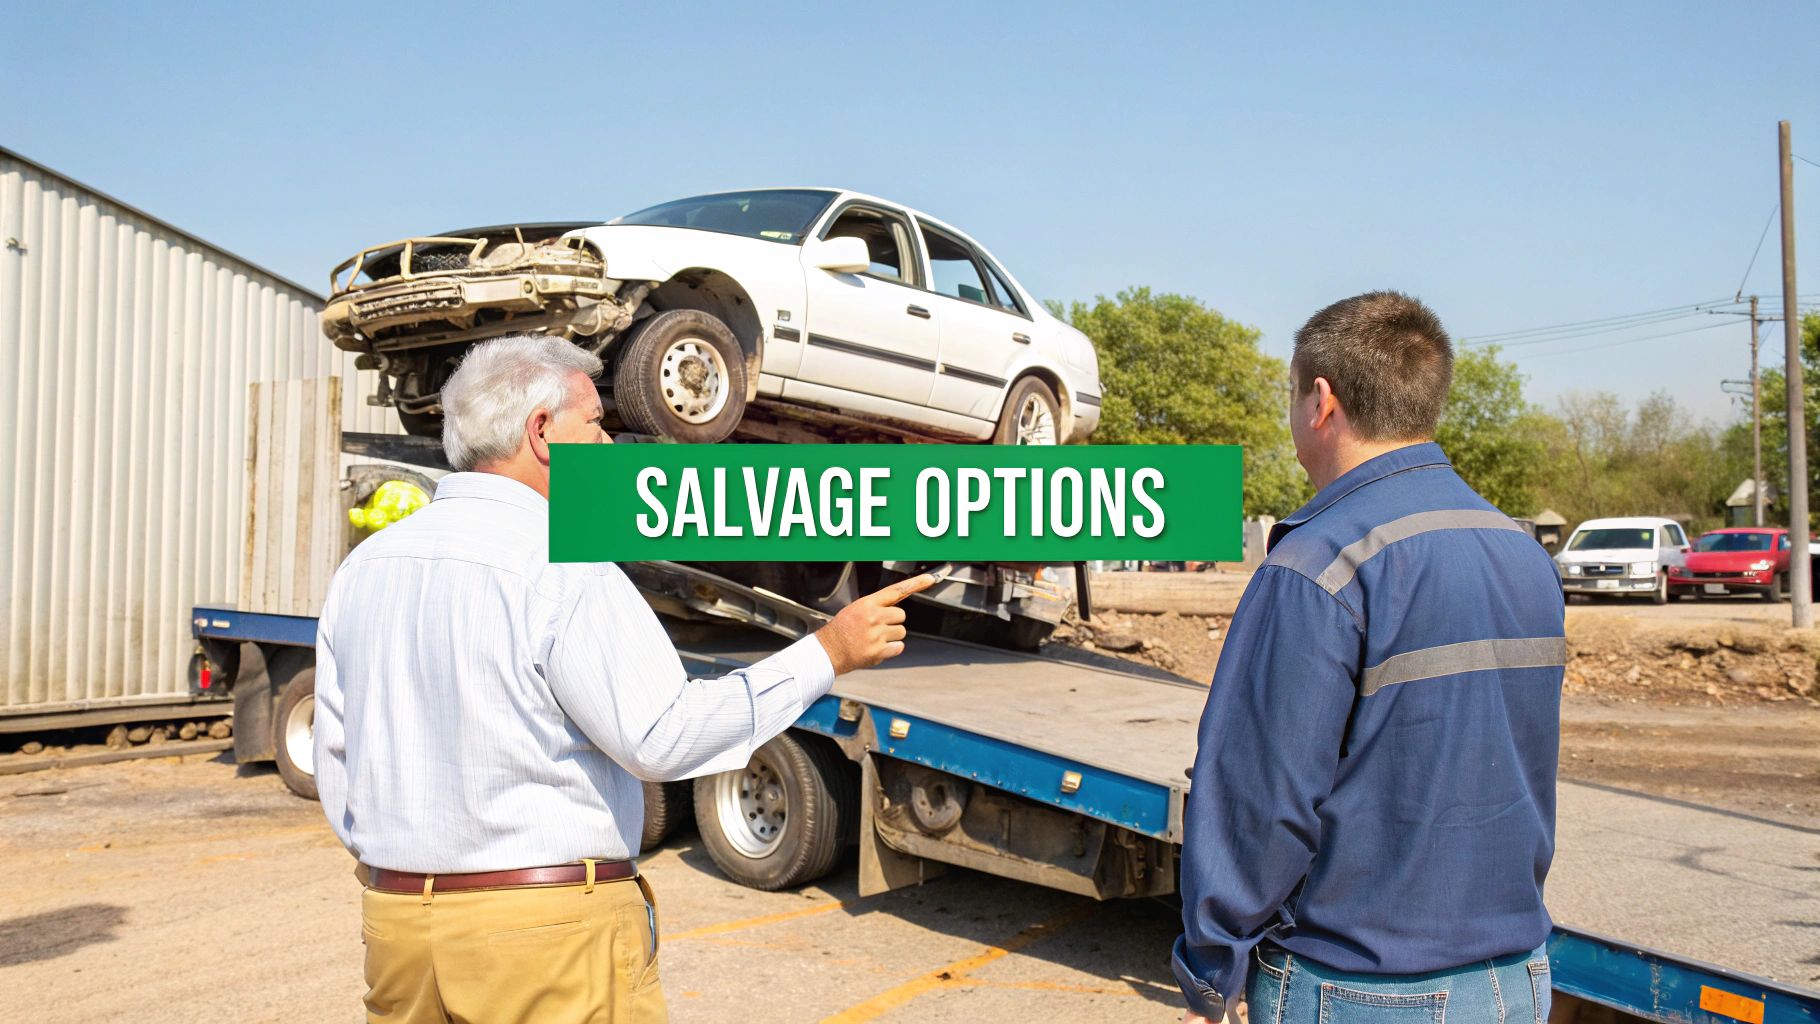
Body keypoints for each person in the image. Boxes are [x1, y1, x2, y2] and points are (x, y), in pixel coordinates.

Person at [314, 334, 933, 1023]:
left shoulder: (364, 569)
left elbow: (338, 763)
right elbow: (662, 737)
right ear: (541, 433)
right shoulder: (561, 562)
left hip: (398, 929)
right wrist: (827, 653)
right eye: (595, 423)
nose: (610, 443)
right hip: (543, 937)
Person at [1173, 292, 1565, 1023]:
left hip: (1359, 988)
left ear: (1321, 401)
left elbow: (1260, 799)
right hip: (1517, 979)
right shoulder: (1523, 554)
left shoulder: (1318, 565)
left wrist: (1210, 964)